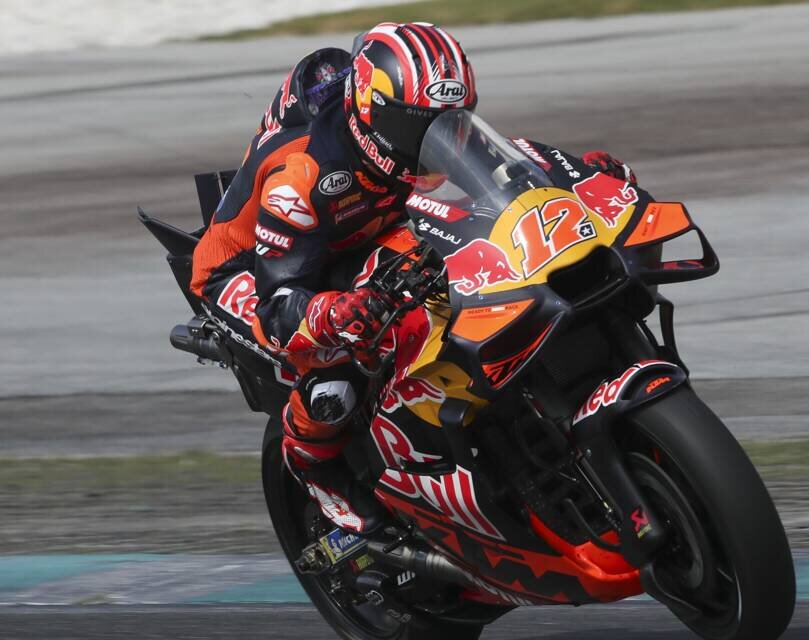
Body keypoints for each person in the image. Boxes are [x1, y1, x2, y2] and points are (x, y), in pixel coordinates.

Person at [190, 22, 637, 536]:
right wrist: (329, 312)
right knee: (340, 358)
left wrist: (580, 178)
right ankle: (312, 462)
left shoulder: (422, 133)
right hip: (250, 270)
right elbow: (279, 305)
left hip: (362, 230)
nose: (435, 139)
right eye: (417, 126)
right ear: (371, 112)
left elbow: (507, 170)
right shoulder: (302, 177)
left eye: (449, 122)